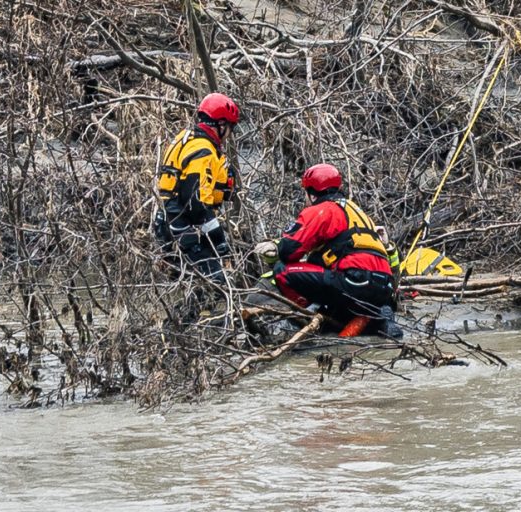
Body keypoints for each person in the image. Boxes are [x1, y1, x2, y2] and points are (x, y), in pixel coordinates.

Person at [254, 163, 402, 337]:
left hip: (354, 281)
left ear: (311, 192)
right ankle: (375, 319)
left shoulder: (321, 210)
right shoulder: (357, 212)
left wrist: (274, 246)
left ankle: (308, 318)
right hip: (384, 288)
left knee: (282, 270)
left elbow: (289, 250)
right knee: (332, 283)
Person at [154, 92, 240, 284]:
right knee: (216, 283)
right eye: (230, 128)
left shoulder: (186, 138)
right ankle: (202, 314)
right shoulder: (204, 151)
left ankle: (189, 314)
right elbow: (195, 204)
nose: (229, 135)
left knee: (192, 285)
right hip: (182, 227)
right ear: (221, 124)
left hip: (167, 222)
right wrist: (220, 241)